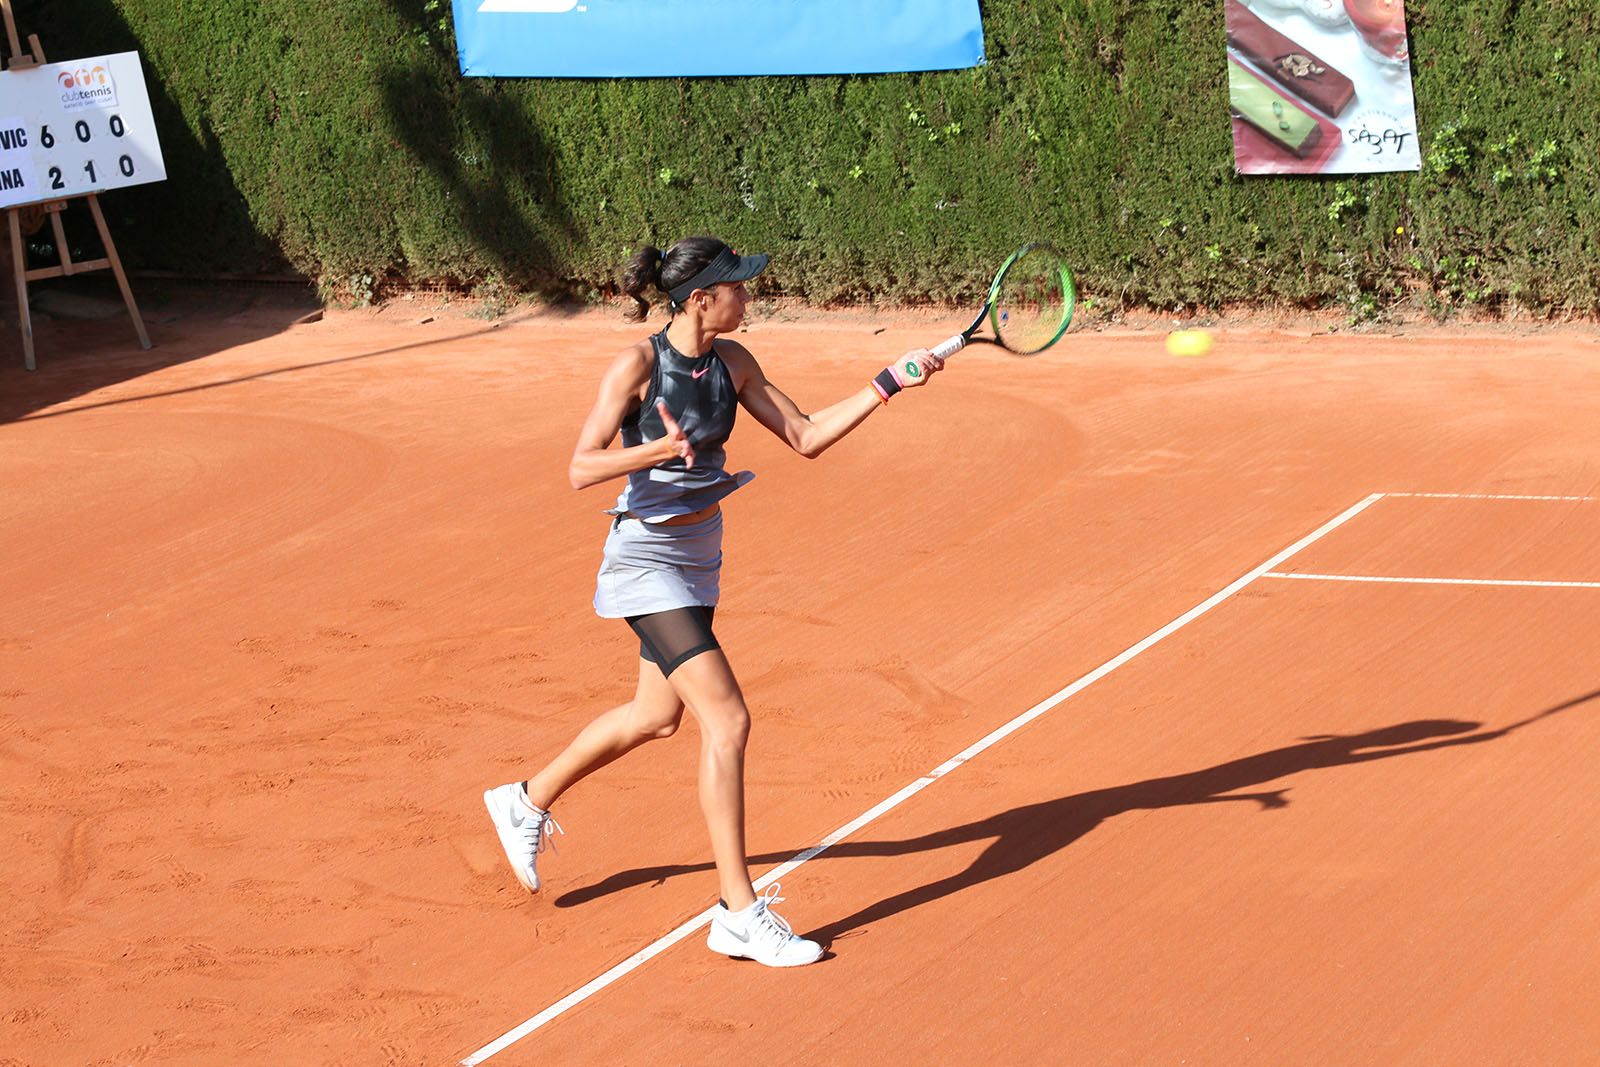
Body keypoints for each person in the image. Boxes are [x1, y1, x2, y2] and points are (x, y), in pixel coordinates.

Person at [484, 235, 944, 967]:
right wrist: (655, 451)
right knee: (727, 719)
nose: (748, 296)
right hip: (645, 562)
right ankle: (738, 912)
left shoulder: (734, 362)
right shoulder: (637, 366)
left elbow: (805, 436)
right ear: (701, 299)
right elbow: (580, 467)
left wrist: (888, 381)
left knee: (655, 716)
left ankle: (524, 800)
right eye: (738, 286)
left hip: (699, 559)